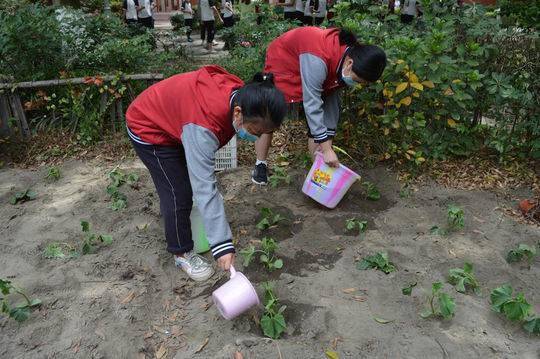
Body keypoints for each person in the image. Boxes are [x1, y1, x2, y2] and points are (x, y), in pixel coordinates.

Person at [126, 66, 287, 281]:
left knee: (187, 183)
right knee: (177, 191)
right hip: (148, 127)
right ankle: (181, 252)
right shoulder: (204, 124)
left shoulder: (240, 95)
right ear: (238, 113)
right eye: (256, 132)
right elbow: (204, 185)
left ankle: (186, 223)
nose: (257, 138)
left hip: (176, 122)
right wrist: (222, 245)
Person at [251, 27, 386, 184]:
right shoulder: (318, 58)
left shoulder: (345, 61)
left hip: (313, 63)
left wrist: (327, 143)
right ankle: (260, 165)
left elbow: (331, 106)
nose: (356, 84)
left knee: (321, 131)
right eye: (357, 80)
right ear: (349, 63)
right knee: (269, 113)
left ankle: (319, 173)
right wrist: (327, 150)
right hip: (285, 61)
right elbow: (312, 103)